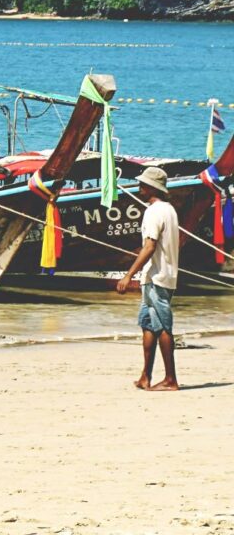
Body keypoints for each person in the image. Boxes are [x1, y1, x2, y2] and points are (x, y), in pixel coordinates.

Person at [115, 165, 180, 390]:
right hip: (159, 276)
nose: (139, 187)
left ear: (151, 187)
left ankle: (171, 379)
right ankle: (146, 376)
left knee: (162, 326)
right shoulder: (170, 209)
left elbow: (150, 246)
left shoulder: (154, 211)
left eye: (142, 184)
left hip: (158, 277)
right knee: (148, 324)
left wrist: (128, 275)